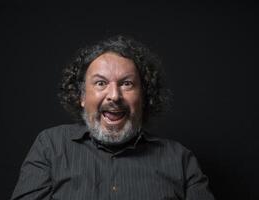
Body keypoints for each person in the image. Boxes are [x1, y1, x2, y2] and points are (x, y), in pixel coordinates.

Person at [11, 35, 215, 200]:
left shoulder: (180, 160)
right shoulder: (51, 147)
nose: (115, 96)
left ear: (144, 97)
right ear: (81, 96)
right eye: (101, 83)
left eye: (127, 84)